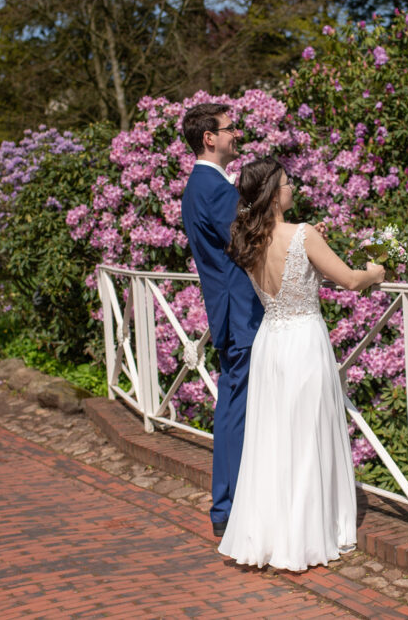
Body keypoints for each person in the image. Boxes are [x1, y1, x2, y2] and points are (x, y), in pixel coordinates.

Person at [219, 157, 385, 571]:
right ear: (274, 194)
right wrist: (375, 271)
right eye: (287, 183)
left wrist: (314, 242)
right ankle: (306, 535)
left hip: (270, 342)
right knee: (308, 434)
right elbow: (349, 280)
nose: (293, 188)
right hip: (304, 342)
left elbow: (296, 267)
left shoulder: (250, 240)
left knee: (274, 437)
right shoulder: (303, 234)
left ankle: (273, 533)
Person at [180, 103, 264, 538]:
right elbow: (249, 243)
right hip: (240, 311)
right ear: (209, 138)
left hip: (229, 309)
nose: (238, 135)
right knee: (237, 408)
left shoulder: (200, 185)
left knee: (233, 404)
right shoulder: (213, 188)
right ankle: (230, 505)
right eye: (231, 129)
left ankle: (227, 505)